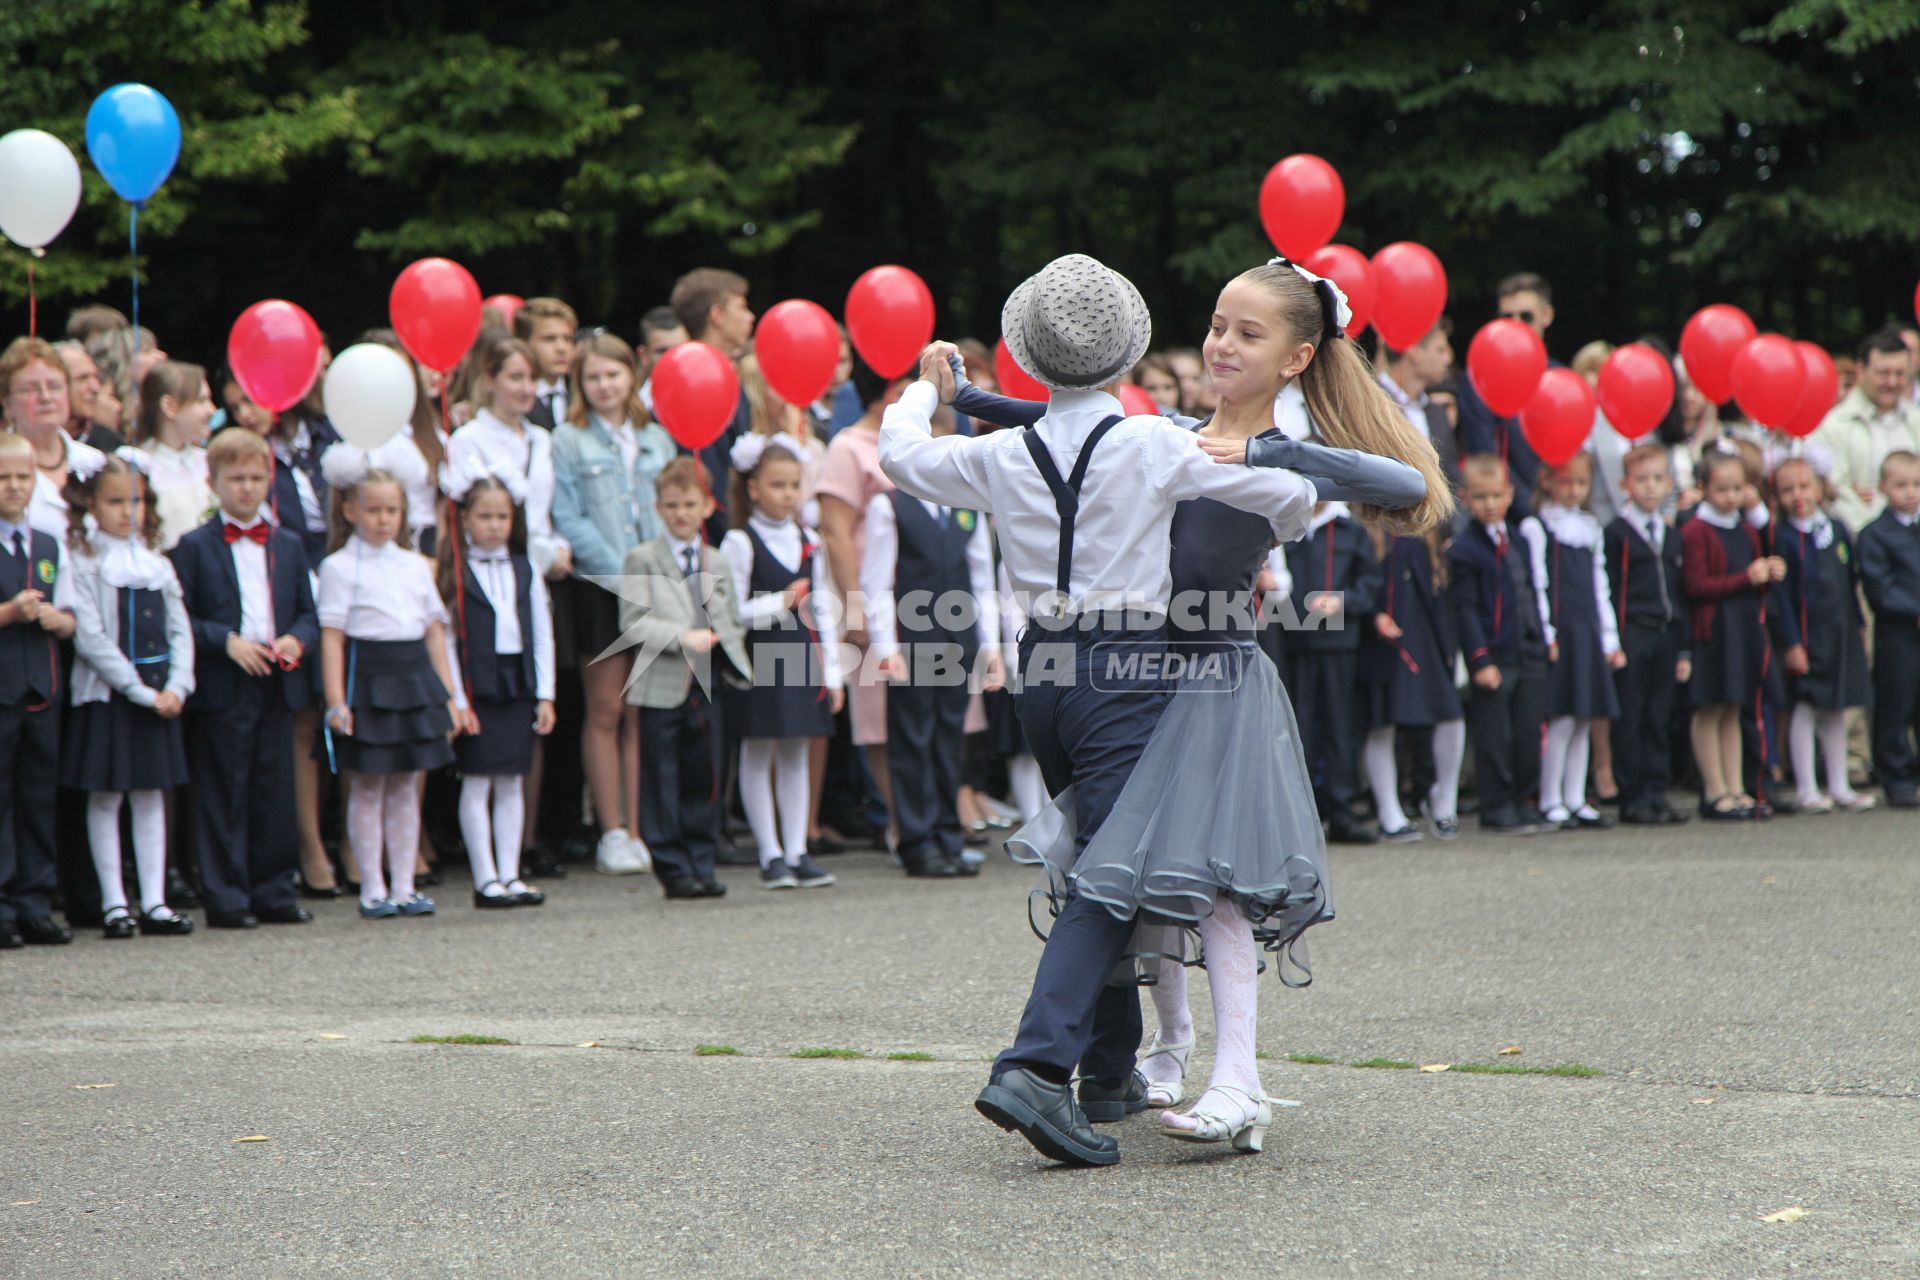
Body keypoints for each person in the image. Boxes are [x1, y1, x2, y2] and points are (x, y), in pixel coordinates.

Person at [882, 253, 1370, 1167]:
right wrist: (1277, 483)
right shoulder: (1153, 442)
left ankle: (1108, 1068)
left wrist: (924, 393)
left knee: (1085, 855)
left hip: (1043, 672)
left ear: (1029, 356)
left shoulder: (999, 454)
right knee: (1116, 869)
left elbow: (902, 456)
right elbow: (1288, 496)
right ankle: (1035, 1068)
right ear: (1128, 358)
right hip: (1130, 665)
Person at [171, 427, 319, 928]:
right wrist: (224, 641)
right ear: (213, 482)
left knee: (273, 787)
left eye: (257, 478)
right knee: (223, 789)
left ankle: (274, 889)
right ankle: (226, 895)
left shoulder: (289, 545)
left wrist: (297, 640)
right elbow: (181, 616)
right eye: (236, 479)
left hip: (275, 680)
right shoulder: (193, 547)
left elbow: (306, 612)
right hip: (225, 679)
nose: (248, 488)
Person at [551, 332, 676, 874]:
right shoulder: (567, 439)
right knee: (605, 709)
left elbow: (672, 506)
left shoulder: (656, 437)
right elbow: (569, 515)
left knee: (644, 709)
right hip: (601, 588)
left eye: (612, 375)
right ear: (580, 384)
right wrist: (623, 573)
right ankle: (611, 830)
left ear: (631, 375)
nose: (604, 386)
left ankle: (643, 826)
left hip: (656, 586)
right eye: (593, 377)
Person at [317, 454, 462, 918]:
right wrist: (337, 700)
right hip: (370, 677)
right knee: (368, 786)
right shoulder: (339, 567)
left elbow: (434, 632)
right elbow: (333, 637)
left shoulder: (416, 566)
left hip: (412, 676)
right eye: (374, 509)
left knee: (405, 784)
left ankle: (404, 884)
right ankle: (371, 886)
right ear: (350, 511)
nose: (383, 520)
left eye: (391, 511)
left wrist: (450, 695)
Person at [59, 450, 194, 938]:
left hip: (159, 697)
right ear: (92, 504)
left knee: (151, 794)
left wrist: (178, 684)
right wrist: (137, 689)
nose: (127, 511)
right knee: (107, 795)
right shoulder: (87, 562)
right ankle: (115, 902)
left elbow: (181, 630)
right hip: (112, 696)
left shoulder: (157, 563)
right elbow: (92, 637)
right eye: (115, 501)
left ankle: (155, 900)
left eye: (135, 501)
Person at [862, 416, 1003, 878]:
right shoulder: (891, 506)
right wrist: (886, 646)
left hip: (958, 642)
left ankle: (947, 833)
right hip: (913, 641)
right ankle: (917, 839)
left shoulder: (967, 509)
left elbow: (982, 580)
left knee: (949, 736)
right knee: (912, 737)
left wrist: (989, 646)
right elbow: (878, 582)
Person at [619, 457, 751, 899]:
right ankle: (672, 866)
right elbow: (632, 623)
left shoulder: (718, 560)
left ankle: (701, 859)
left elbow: (731, 620)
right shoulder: (642, 559)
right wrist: (682, 637)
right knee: (662, 775)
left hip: (710, 683)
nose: (680, 513)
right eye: (672, 505)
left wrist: (739, 665)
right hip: (664, 684)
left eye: (689, 504)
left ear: (707, 507)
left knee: (708, 774)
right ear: (657, 507)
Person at [720, 432, 843, 889]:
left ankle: (797, 850)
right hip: (760, 657)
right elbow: (730, 612)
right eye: (777, 485)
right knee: (758, 749)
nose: (787, 494)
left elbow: (824, 609)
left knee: (796, 751)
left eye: (794, 485)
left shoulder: (808, 538)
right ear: (754, 488)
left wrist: (834, 674)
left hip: (802, 655)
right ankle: (769, 852)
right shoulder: (740, 541)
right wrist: (780, 602)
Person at [439, 468, 556, 907]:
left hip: (516, 681)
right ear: (465, 518)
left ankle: (510, 873)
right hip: (477, 685)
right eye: (484, 516)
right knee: (477, 780)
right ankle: (484, 876)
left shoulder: (526, 569)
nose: (493, 525)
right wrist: (458, 698)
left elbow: (542, 633)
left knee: (511, 780)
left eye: (502, 517)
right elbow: (448, 639)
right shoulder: (457, 570)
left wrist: (545, 693)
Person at [816, 364, 903, 851]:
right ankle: (897, 822)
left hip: (928, 602)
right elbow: (836, 531)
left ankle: (932, 815)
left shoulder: (921, 442)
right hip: (875, 603)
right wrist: (854, 611)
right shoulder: (848, 447)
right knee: (880, 721)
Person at [0, 431, 77, 947]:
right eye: (3, 478)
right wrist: (10, 613)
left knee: (37, 797)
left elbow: (73, 619)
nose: (13, 486)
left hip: (42, 691)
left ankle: (35, 899)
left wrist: (55, 618)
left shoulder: (48, 542)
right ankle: (3, 905)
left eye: (23, 477)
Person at [1519, 453, 1623, 829]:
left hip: (1588, 631)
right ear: (1548, 481)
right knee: (1562, 718)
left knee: (1585, 717)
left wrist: (1609, 636)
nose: (1574, 490)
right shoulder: (1538, 526)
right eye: (1566, 482)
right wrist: (1547, 631)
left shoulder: (1589, 528)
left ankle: (1576, 796)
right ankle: (1551, 797)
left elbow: (1600, 586)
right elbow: (1538, 582)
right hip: (1561, 631)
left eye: (1581, 483)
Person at [1449, 454, 1553, 835]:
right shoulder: (1465, 550)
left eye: (1496, 495)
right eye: (1480, 497)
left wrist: (1544, 636)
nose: (1490, 504)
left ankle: (1524, 799)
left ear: (1509, 494)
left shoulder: (1520, 539)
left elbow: (1531, 590)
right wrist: (1480, 659)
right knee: (1495, 736)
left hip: (1527, 649)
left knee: (1529, 731)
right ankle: (1496, 805)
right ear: (1465, 499)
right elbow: (1466, 610)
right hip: (1495, 655)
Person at [1681, 444, 1785, 820]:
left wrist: (1768, 573)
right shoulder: (1696, 530)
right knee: (1710, 707)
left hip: (1742, 627)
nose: (1730, 497)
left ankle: (1736, 786)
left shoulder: (1744, 528)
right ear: (1704, 488)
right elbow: (1695, 585)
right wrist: (1746, 578)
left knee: (1734, 707)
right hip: (1714, 629)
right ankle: (1714, 790)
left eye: (1737, 489)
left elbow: (1754, 575)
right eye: (1721, 489)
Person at [1771, 456, 1874, 814]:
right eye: (1787, 490)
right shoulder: (1784, 537)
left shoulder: (1837, 528)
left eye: (1804, 486)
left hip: (1839, 628)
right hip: (1807, 633)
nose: (1798, 495)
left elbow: (1849, 583)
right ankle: (1806, 787)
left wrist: (1859, 625)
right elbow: (1782, 596)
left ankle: (1839, 783)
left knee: (1836, 708)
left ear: (1820, 488)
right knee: (1807, 705)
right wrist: (1792, 643)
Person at [1284, 499, 1382, 843]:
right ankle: (1300, 817)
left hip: (1339, 643)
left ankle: (1342, 810)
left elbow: (1370, 583)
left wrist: (1342, 602)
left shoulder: (1350, 530)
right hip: (1291, 642)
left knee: (1340, 729)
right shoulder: (1283, 524)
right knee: (1298, 730)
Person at [1360, 523, 1465, 841]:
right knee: (1382, 723)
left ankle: (1444, 802)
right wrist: (1373, 615)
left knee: (1451, 716)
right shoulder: (1366, 530)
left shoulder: (1429, 531)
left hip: (1424, 636)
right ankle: (1389, 811)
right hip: (1379, 639)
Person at [1605, 442, 1692, 825]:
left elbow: (1680, 592)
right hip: (1633, 633)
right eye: (1641, 480)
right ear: (1626, 484)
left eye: (1658, 479)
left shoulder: (1673, 536)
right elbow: (1609, 587)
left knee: (1659, 715)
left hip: (1665, 633)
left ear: (1670, 483)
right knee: (1632, 715)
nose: (1650, 487)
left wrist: (1684, 648)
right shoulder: (1617, 533)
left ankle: (1657, 791)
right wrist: (1615, 638)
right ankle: (1632, 794)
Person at [668, 268, 756, 543]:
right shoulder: (694, 380)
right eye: (741, 307)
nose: (750, 317)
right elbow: (710, 468)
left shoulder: (725, 375)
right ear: (717, 315)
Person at [1459, 272, 1557, 516]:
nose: (1516, 325)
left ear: (1546, 316)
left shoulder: (1562, 379)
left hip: (1560, 515)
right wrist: (1535, 511)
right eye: (1507, 317)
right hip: (1504, 517)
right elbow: (1485, 451)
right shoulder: (1477, 381)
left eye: (1526, 316)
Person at [1857, 450, 1920, 808]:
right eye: (1901, 485)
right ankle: (1896, 775)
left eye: (1916, 484)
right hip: (1898, 635)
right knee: (1896, 704)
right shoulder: (1875, 535)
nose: (1910, 492)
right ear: (1883, 487)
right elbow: (1879, 588)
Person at [1816, 326, 1920, 533]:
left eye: (1900, 374)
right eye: (1883, 373)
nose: (1892, 382)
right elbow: (1836, 496)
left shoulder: (1916, 420)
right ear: (1861, 371)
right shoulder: (1834, 426)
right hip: (1864, 547)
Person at [3, 336, 104, 541]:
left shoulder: (96, 463)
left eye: (55, 386)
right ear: (7, 404)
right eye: (30, 389)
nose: (46, 397)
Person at [130, 360, 216, 550]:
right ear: (170, 406)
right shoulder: (140, 466)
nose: (212, 410)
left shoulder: (209, 461)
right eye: (201, 400)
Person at [1378, 318, 1462, 494]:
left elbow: (1453, 484)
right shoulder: (1370, 402)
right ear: (1415, 351)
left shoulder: (1438, 413)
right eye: (1440, 350)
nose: (1447, 359)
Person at [516, 298, 579, 429]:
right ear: (523, 342)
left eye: (568, 339)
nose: (562, 348)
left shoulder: (583, 394)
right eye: (549, 339)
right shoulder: (509, 398)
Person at [53, 341, 124, 452]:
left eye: (96, 377)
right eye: (83, 378)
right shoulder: (30, 441)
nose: (95, 388)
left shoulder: (109, 443)